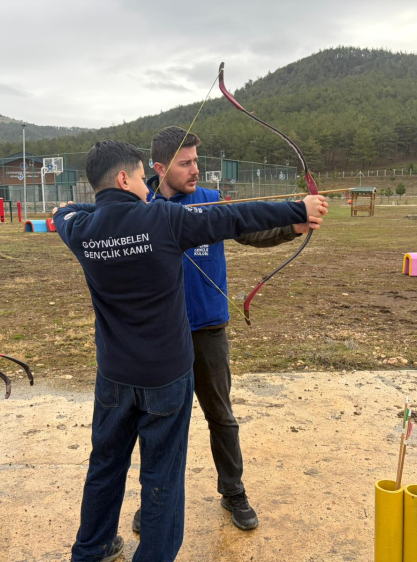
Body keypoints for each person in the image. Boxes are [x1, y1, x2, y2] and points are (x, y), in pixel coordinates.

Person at [55, 140, 327, 562]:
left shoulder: (78, 229)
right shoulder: (164, 218)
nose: (148, 187)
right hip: (165, 375)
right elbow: (235, 218)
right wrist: (298, 208)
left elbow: (66, 211)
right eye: (141, 178)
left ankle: (90, 551)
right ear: (124, 178)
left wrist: (99, 207)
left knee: (105, 467)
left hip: (113, 376)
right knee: (162, 476)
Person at [137, 126, 312, 531]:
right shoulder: (141, 207)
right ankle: (156, 501)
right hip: (162, 334)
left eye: (197, 161)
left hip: (208, 329)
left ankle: (233, 491)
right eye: (185, 163)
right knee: (161, 423)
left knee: (221, 416)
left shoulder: (210, 201)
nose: (195, 169)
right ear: (160, 168)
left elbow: (249, 228)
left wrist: (293, 226)